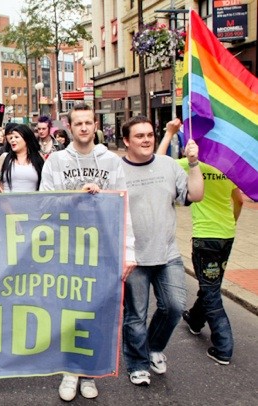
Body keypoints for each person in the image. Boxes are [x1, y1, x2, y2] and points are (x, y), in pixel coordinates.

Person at [40, 102, 136, 401]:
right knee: (69, 313)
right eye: (77, 123)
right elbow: (44, 204)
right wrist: (73, 197)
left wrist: (128, 251)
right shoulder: (55, 162)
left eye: (88, 123)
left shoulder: (111, 161)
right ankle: (70, 370)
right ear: (69, 126)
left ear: (95, 125)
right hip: (67, 250)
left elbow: (124, 206)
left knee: (97, 312)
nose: (83, 128)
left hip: (102, 249)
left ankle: (90, 372)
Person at [121, 115, 204, 386]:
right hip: (134, 257)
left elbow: (195, 195)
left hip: (167, 254)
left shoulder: (169, 165)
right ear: (126, 141)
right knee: (136, 316)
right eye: (139, 136)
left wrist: (193, 164)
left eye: (149, 135)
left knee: (174, 307)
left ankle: (154, 348)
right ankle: (137, 363)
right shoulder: (115, 170)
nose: (146, 139)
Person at [157, 119, 243, 365]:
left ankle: (223, 346)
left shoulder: (191, 164)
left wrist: (169, 134)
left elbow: (158, 164)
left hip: (205, 237)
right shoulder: (228, 166)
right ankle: (195, 319)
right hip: (226, 234)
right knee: (211, 283)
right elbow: (238, 201)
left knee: (211, 289)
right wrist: (233, 222)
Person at [0, 124, 43, 193]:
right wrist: (2, 195)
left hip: (32, 202)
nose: (12, 140)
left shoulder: (38, 157)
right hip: (7, 201)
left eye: (16, 137)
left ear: (26, 139)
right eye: (11, 138)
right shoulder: (4, 157)